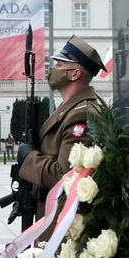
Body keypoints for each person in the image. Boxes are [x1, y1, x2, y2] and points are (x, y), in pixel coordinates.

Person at [18, 35, 106, 219]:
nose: (53, 69)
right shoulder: (70, 108)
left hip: (61, 219)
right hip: (50, 211)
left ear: (74, 73)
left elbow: (64, 173)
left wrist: (29, 157)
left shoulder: (82, 113)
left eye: (59, 65)